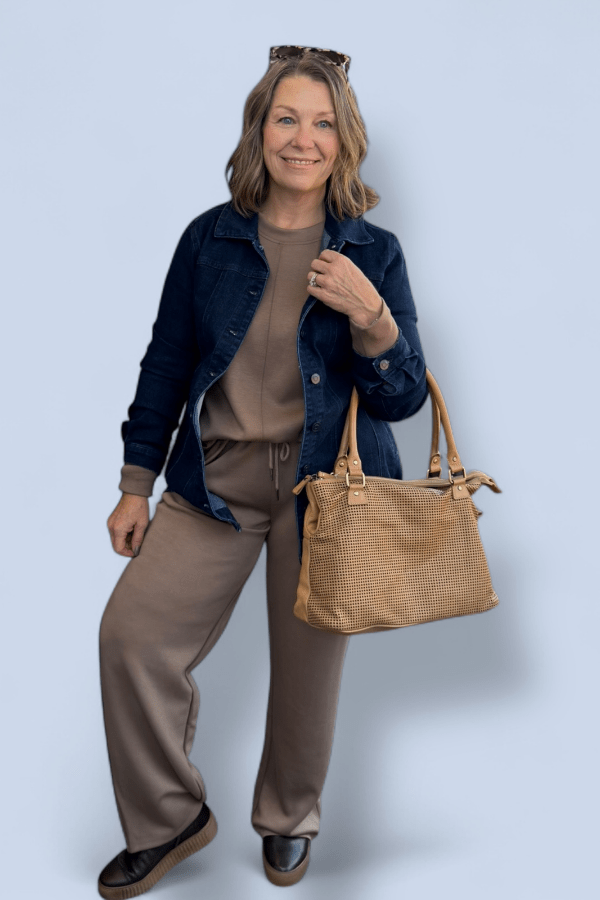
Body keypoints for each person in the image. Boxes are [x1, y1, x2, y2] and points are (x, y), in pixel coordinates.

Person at [97, 45, 427, 898]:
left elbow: (400, 400)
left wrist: (373, 318)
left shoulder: (373, 252)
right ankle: (170, 818)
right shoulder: (209, 238)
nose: (303, 138)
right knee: (132, 637)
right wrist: (136, 485)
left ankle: (288, 819)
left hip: (328, 493)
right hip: (217, 478)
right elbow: (167, 364)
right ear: (260, 128)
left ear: (344, 140)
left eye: (323, 123)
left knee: (308, 673)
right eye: (288, 117)